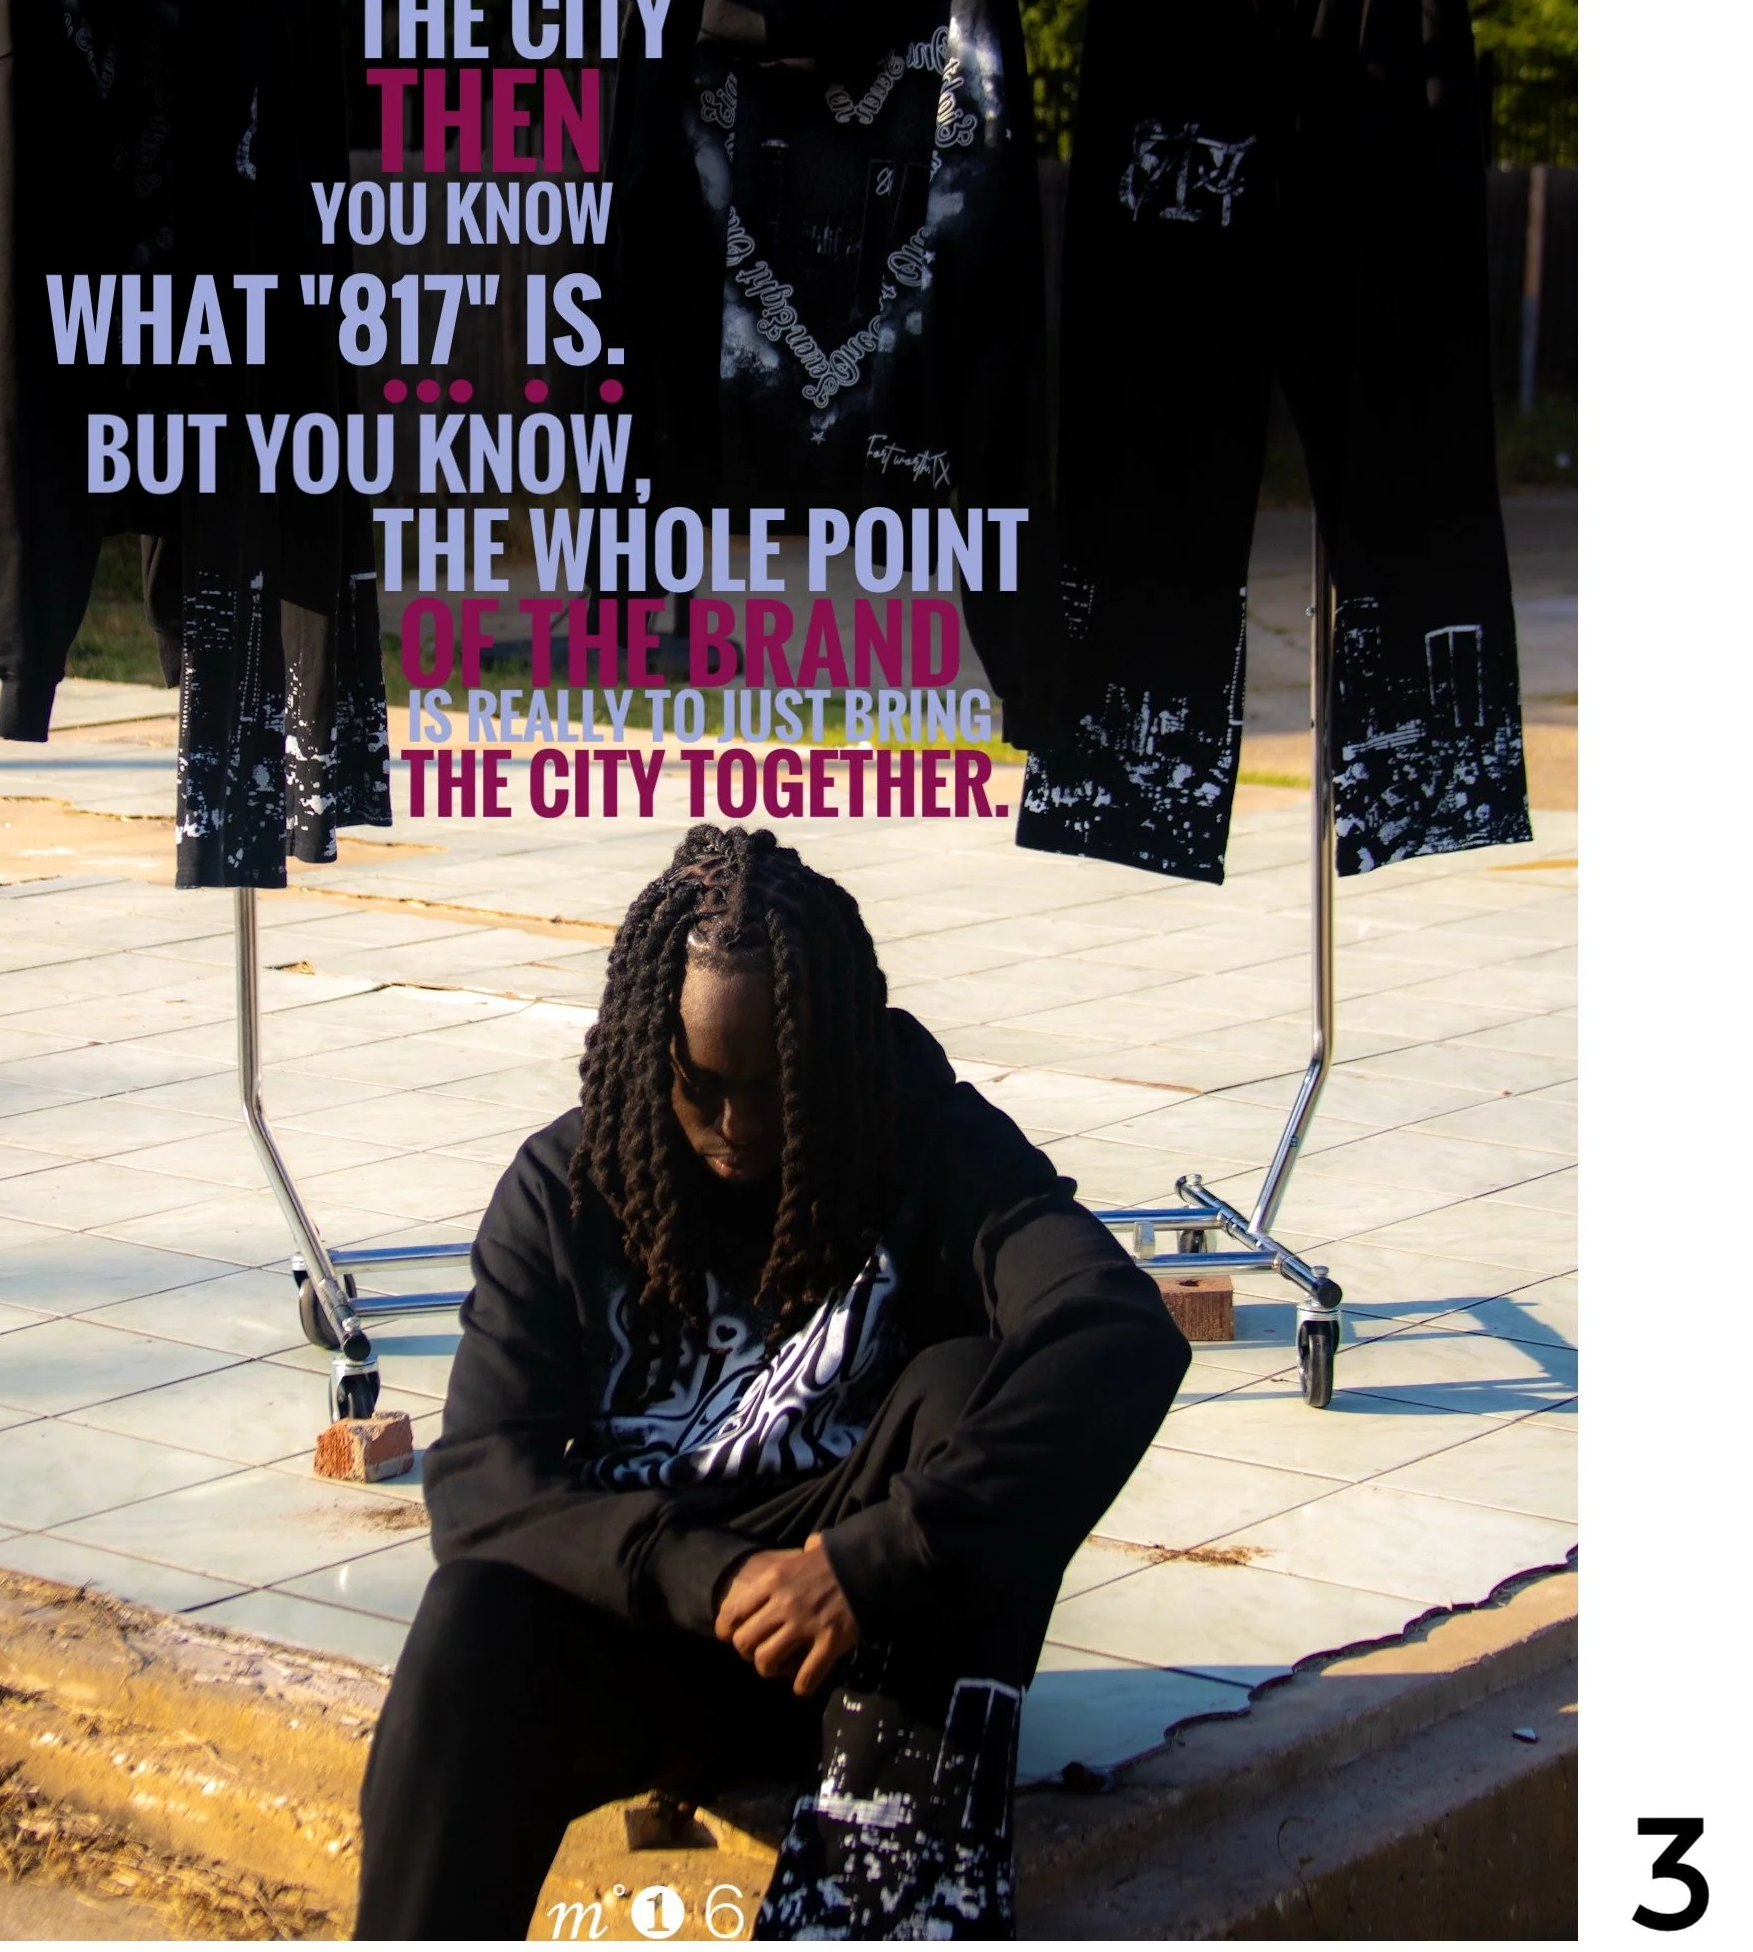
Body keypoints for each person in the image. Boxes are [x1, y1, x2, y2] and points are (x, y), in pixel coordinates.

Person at [354, 825, 1190, 1940]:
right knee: (472, 1611)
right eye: (701, 1086)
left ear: (836, 1053)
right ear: (647, 1050)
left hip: (875, 1654)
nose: (739, 1125)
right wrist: (707, 1571)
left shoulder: (924, 1136)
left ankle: (876, 1912)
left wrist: (870, 1558)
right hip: (650, 1632)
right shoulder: (565, 1183)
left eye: (777, 1088)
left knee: (959, 1384)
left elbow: (1118, 1327)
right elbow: (477, 1483)